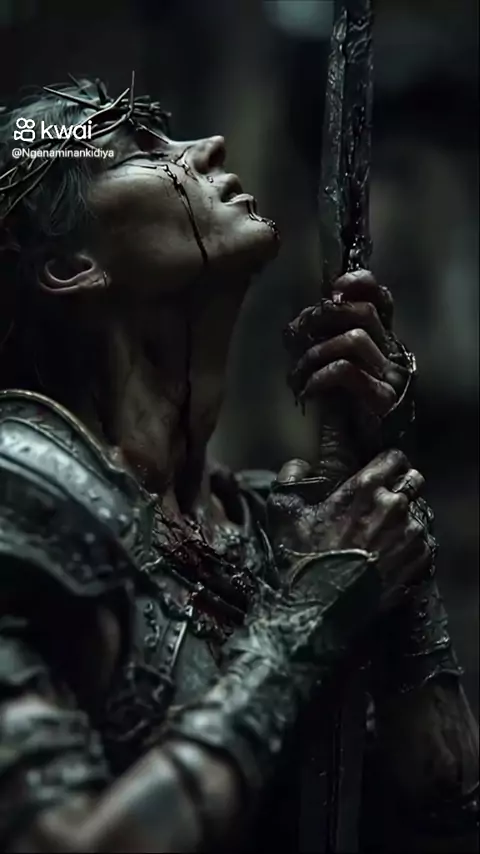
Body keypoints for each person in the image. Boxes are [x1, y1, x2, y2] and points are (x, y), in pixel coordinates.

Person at [0, 79, 477, 853]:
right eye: (137, 151)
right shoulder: (22, 497)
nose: (209, 148)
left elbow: (445, 801)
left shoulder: (272, 525)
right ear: (69, 267)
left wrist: (382, 494)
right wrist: (309, 613)